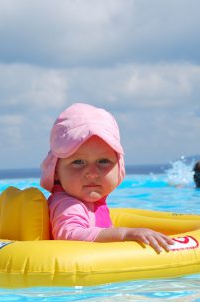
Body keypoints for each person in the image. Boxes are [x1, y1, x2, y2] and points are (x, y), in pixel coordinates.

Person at [40, 103, 174, 253]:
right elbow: (70, 235)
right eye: (78, 162)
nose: (92, 173)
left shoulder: (88, 202)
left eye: (103, 161)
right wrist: (125, 234)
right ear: (56, 170)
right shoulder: (68, 204)